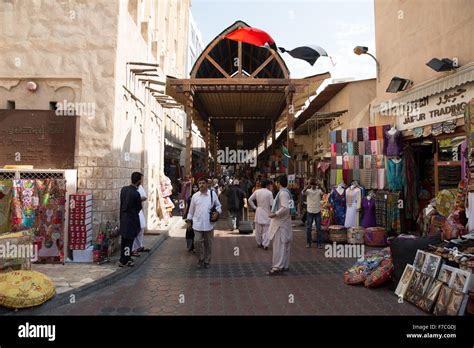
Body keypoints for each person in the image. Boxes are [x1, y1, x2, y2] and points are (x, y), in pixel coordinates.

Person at [186, 176, 222, 269]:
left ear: (207, 184)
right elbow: (191, 211)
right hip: (197, 224)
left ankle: (207, 261)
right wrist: (189, 221)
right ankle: (200, 259)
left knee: (208, 244)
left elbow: (218, 206)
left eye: (203, 183)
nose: (201, 185)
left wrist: (217, 213)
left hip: (209, 224)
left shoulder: (212, 194)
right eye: (200, 183)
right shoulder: (195, 196)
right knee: (197, 242)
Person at [267, 175, 292, 275]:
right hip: (285, 222)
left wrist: (275, 214)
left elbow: (285, 208)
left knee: (279, 245)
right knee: (284, 244)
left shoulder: (283, 194)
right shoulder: (287, 193)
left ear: (278, 183)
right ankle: (284, 265)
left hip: (281, 223)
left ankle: (277, 267)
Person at [118, 172, 143, 267]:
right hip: (131, 220)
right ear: (138, 181)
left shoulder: (124, 189)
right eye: (141, 179)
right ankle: (125, 260)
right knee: (128, 242)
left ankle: (123, 258)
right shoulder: (136, 194)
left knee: (124, 240)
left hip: (123, 218)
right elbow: (138, 208)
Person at [248, 179, 273, 250]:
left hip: (258, 211)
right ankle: (265, 244)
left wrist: (255, 207)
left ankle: (259, 243)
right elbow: (272, 204)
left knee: (258, 230)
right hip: (267, 212)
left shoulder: (257, 191)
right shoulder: (269, 193)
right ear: (267, 185)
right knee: (266, 230)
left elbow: (250, 200)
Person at [303, 179, 324, 249]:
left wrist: (320, 186)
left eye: (314, 184)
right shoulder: (308, 191)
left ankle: (319, 243)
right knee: (309, 228)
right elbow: (303, 192)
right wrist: (307, 186)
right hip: (310, 211)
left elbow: (324, 192)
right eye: (312, 184)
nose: (313, 186)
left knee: (318, 228)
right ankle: (308, 243)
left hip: (317, 211)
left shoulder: (319, 191)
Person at [131, 183, 150, 256]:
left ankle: (139, 246)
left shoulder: (140, 187)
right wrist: (138, 198)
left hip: (139, 210)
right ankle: (133, 249)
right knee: (134, 229)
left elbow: (144, 196)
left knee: (141, 227)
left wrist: (138, 198)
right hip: (134, 211)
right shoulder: (131, 190)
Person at [183, 183, 199, 251]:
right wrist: (186, 215)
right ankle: (191, 246)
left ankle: (195, 246)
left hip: (197, 216)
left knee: (196, 232)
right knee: (190, 231)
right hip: (191, 216)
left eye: (196, 187)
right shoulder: (190, 197)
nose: (195, 189)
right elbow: (188, 207)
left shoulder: (199, 196)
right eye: (194, 187)